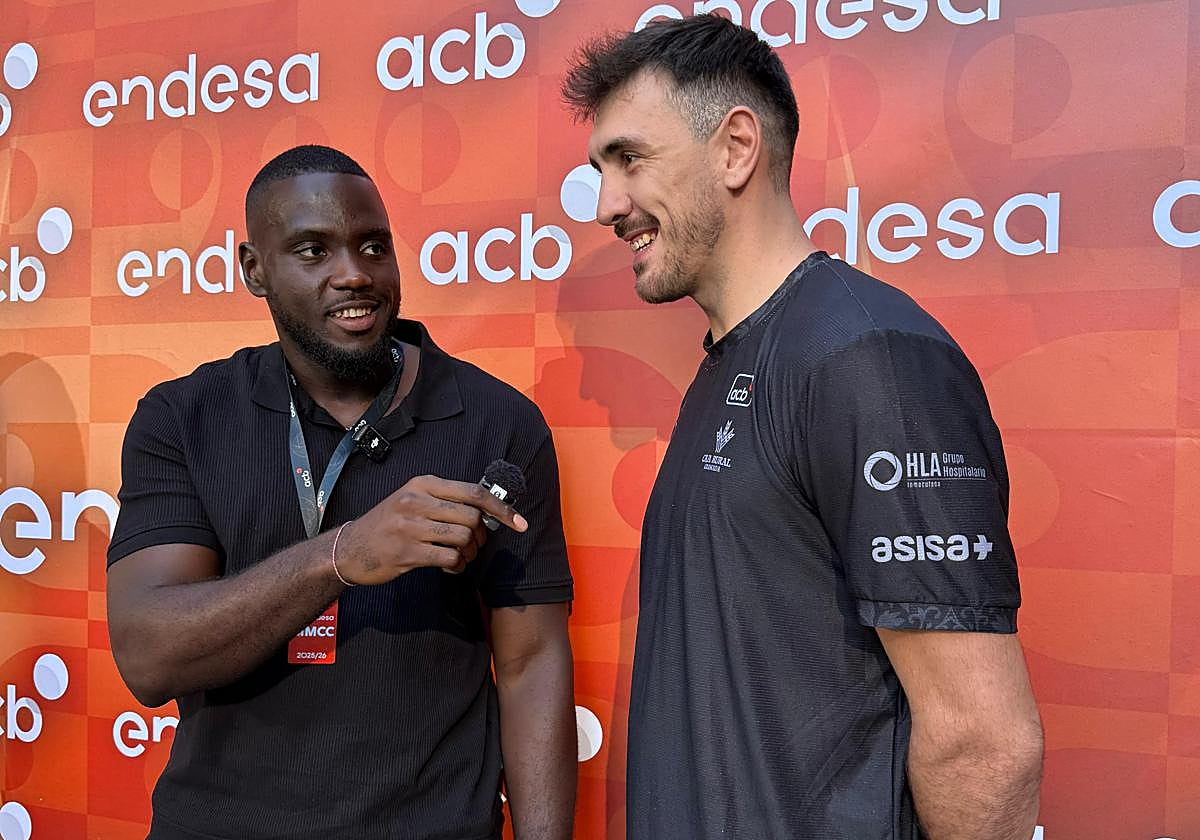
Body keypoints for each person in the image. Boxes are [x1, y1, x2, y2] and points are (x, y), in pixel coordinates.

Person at [563, 14, 1043, 840]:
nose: (607, 205)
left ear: (736, 148)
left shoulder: (869, 359)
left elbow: (983, 744)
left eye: (630, 159)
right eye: (600, 170)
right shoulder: (733, 362)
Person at [105, 145, 576, 840]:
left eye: (373, 246)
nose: (354, 273)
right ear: (254, 270)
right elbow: (148, 657)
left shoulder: (498, 423)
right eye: (313, 251)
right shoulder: (184, 417)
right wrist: (341, 556)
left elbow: (531, 662)